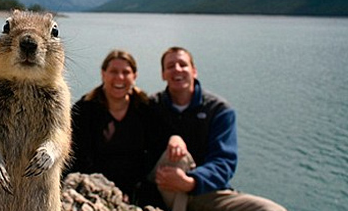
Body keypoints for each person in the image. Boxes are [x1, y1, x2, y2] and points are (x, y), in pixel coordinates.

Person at [150, 46, 287, 211]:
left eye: (183, 64)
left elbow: (224, 162)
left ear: (194, 71)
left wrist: (190, 182)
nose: (177, 69)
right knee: (177, 156)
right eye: (170, 66)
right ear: (163, 75)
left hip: (204, 191)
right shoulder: (152, 106)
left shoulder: (218, 110)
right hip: (163, 187)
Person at [67, 49, 161, 205]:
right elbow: (76, 156)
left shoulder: (145, 108)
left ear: (134, 76)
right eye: (113, 71)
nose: (120, 77)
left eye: (126, 72)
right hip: (93, 185)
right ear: (103, 74)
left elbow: (156, 150)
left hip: (137, 187)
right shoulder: (85, 110)